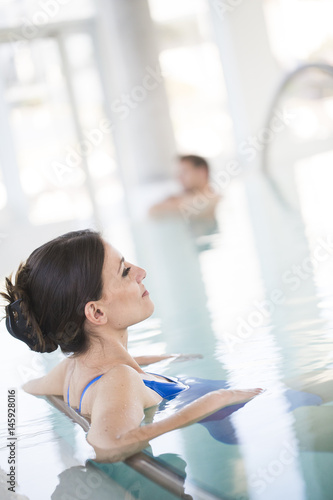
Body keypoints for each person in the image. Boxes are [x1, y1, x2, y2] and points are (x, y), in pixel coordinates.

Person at [1, 229, 262, 463]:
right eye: (125, 271)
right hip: (232, 417)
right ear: (97, 313)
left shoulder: (71, 369)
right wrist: (215, 400)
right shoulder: (120, 380)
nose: (141, 272)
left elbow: (27, 388)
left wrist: (151, 359)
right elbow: (109, 446)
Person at [149, 155, 220, 218]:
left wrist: (175, 203)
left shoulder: (216, 200)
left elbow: (204, 205)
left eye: (184, 172)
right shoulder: (179, 199)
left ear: (202, 172)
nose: (179, 178)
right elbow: (151, 211)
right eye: (178, 173)